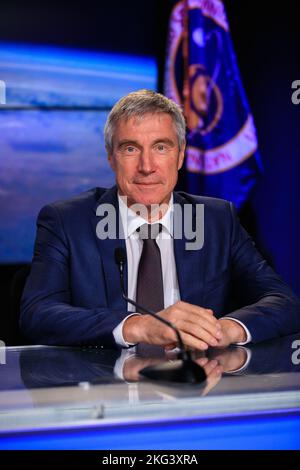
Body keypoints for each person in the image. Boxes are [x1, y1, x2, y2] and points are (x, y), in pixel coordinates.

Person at [20, 89, 300, 350]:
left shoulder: (216, 221)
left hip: (195, 390)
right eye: (130, 149)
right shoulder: (67, 221)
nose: (146, 166)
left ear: (180, 155)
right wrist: (138, 326)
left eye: (161, 147)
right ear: (110, 157)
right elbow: (37, 313)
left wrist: (225, 329)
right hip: (101, 391)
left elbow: (284, 302)